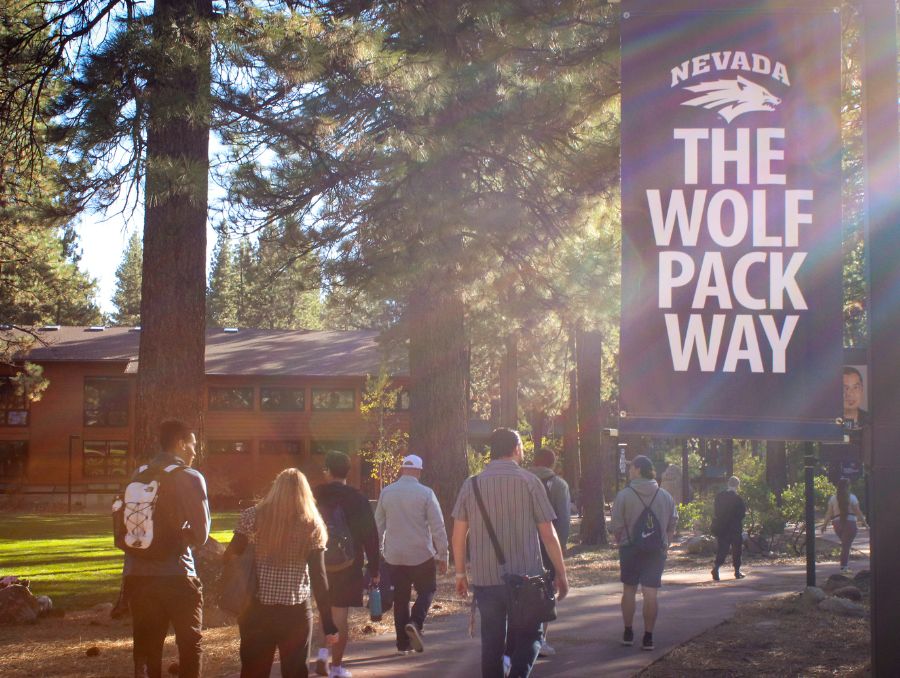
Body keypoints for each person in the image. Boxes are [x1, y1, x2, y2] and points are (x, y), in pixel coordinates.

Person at [452, 428, 569, 678]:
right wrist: (561, 573)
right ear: (516, 448)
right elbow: (548, 534)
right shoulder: (530, 482)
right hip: (526, 578)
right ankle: (518, 674)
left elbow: (459, 533)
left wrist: (460, 572)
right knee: (532, 634)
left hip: (485, 578)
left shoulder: (471, 484)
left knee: (491, 643)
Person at [225, 468, 339, 678]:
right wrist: (329, 622)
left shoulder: (252, 516)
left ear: (275, 489)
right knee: (295, 672)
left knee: (253, 671)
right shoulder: (312, 525)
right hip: (294, 612)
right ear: (304, 493)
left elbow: (229, 556)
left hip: (256, 611)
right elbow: (318, 577)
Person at [124, 419, 211, 678]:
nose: (195, 451)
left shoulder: (138, 474)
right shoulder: (190, 477)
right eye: (193, 444)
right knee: (189, 643)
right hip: (176, 573)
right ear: (180, 443)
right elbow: (202, 533)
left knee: (148, 645)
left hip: (138, 574)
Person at [313, 451, 380, 678]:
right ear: (348, 472)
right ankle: (336, 667)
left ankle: (322, 655)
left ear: (327, 471)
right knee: (340, 613)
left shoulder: (315, 495)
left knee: (325, 609)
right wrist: (374, 568)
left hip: (318, 561)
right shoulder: (357, 498)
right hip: (349, 564)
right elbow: (370, 535)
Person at [374, 454, 448, 654]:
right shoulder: (426, 493)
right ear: (419, 470)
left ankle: (402, 643)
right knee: (428, 589)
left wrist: (377, 554)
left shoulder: (387, 492)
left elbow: (378, 526)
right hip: (421, 554)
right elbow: (437, 526)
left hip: (394, 556)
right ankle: (416, 621)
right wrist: (443, 554)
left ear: (402, 469)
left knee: (401, 597)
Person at [609, 455, 677, 652]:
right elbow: (672, 523)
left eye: (631, 468)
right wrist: (667, 542)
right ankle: (648, 637)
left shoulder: (624, 495)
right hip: (656, 550)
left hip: (630, 547)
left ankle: (628, 632)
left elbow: (616, 526)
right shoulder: (665, 496)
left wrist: (621, 541)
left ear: (638, 470)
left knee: (629, 590)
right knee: (650, 593)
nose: (629, 471)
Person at [528, 448, 571, 658]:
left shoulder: (522, 480)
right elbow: (563, 520)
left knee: (519, 592)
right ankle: (540, 640)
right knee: (546, 593)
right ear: (552, 464)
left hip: (522, 543)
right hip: (548, 545)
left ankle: (519, 638)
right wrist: (560, 549)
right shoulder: (559, 485)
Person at [821, 477, 868, 573]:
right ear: (848, 487)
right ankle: (844, 567)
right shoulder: (852, 497)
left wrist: (824, 525)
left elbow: (829, 513)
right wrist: (865, 524)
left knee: (845, 545)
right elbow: (858, 512)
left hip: (837, 523)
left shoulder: (833, 499)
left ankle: (844, 566)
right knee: (846, 546)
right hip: (850, 522)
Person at [711, 476, 747, 581]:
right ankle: (736, 571)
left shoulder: (719, 496)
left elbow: (716, 511)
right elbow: (742, 514)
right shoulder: (738, 498)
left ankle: (716, 568)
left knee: (722, 549)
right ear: (737, 485)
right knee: (737, 550)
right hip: (735, 528)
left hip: (722, 527)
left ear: (728, 484)